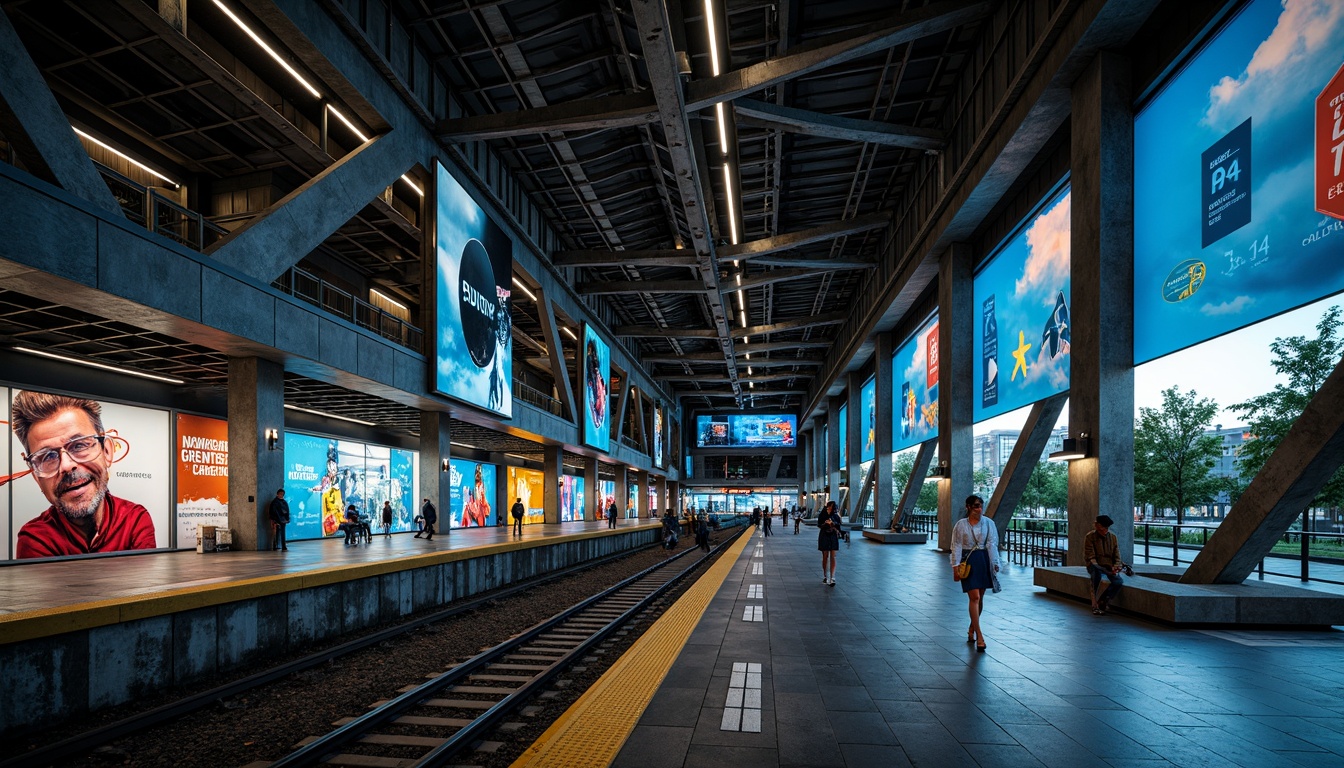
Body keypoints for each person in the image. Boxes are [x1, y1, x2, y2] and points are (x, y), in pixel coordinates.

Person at [11, 391, 156, 559]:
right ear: (37, 477)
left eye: (79, 446)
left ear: (107, 452)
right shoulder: (35, 540)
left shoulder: (134, 520)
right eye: (48, 457)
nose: (66, 465)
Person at [950, 494, 1001, 653]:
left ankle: (972, 628)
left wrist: (995, 562)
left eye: (981, 506)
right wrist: (955, 567)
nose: (979, 509)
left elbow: (992, 544)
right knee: (975, 597)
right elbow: (956, 546)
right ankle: (980, 635)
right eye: (976, 506)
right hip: (968, 561)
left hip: (983, 560)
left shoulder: (988, 523)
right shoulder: (961, 525)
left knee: (981, 597)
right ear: (968, 508)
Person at [1085, 514, 1127, 615]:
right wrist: (1101, 568)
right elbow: (1090, 556)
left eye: (1105, 528)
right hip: (1094, 565)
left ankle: (1104, 599)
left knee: (1118, 581)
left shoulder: (1112, 537)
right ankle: (1095, 605)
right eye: (1101, 527)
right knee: (1096, 577)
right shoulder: (1090, 537)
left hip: (1108, 565)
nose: (1104, 530)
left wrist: (1116, 566)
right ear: (1096, 526)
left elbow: (1117, 555)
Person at [816, 500, 842, 585]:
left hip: (833, 536)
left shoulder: (835, 514)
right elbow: (819, 524)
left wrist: (833, 523)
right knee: (825, 556)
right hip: (824, 535)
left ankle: (833, 577)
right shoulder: (823, 514)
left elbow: (839, 525)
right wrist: (825, 523)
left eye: (833, 507)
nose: (832, 508)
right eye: (831, 506)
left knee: (833, 556)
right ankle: (825, 576)